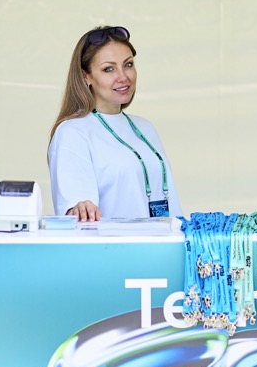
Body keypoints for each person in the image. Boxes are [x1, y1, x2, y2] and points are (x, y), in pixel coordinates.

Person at [48, 26, 180, 221]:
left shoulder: (145, 128)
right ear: (86, 77)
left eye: (128, 64)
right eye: (108, 69)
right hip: (114, 241)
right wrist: (78, 209)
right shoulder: (72, 132)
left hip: (163, 238)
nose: (123, 77)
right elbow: (80, 214)